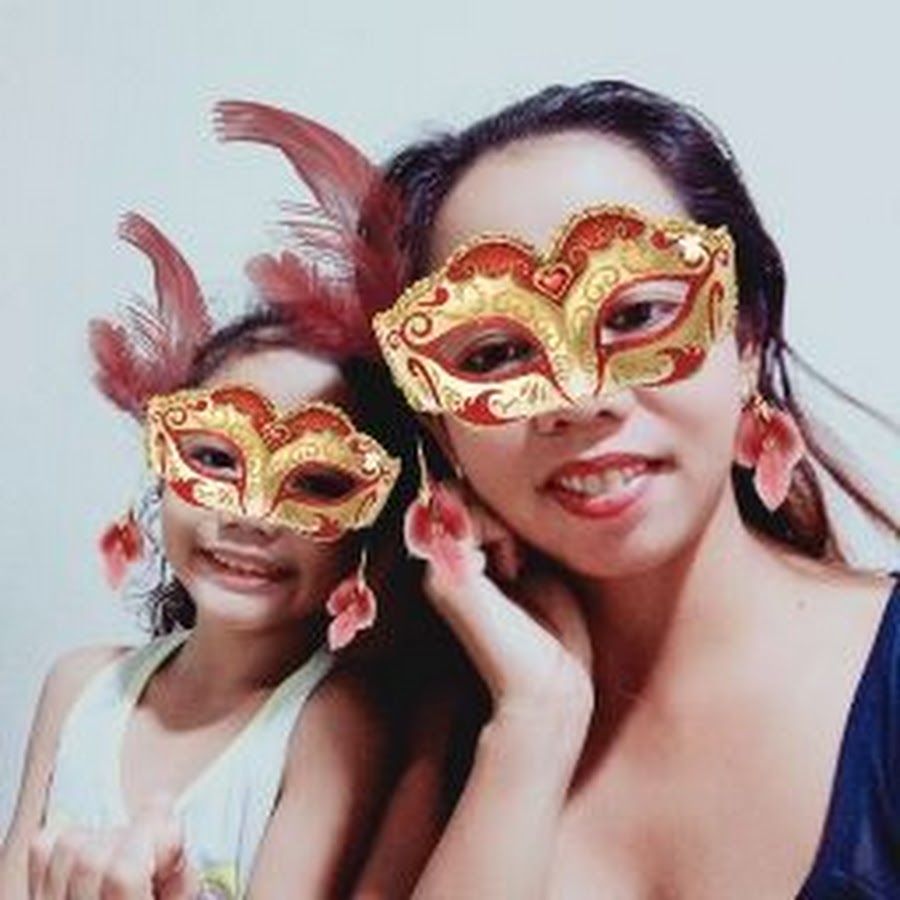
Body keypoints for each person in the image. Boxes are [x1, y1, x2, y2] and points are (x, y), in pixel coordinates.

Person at [369, 80, 900, 897]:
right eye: (495, 354)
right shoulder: (414, 747)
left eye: (636, 315)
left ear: (745, 336)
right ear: (442, 429)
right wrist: (535, 724)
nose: (581, 399)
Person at [0, 199, 412, 899]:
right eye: (217, 458)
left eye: (317, 481)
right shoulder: (78, 687)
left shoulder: (333, 727)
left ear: (370, 525)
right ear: (163, 467)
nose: (251, 513)